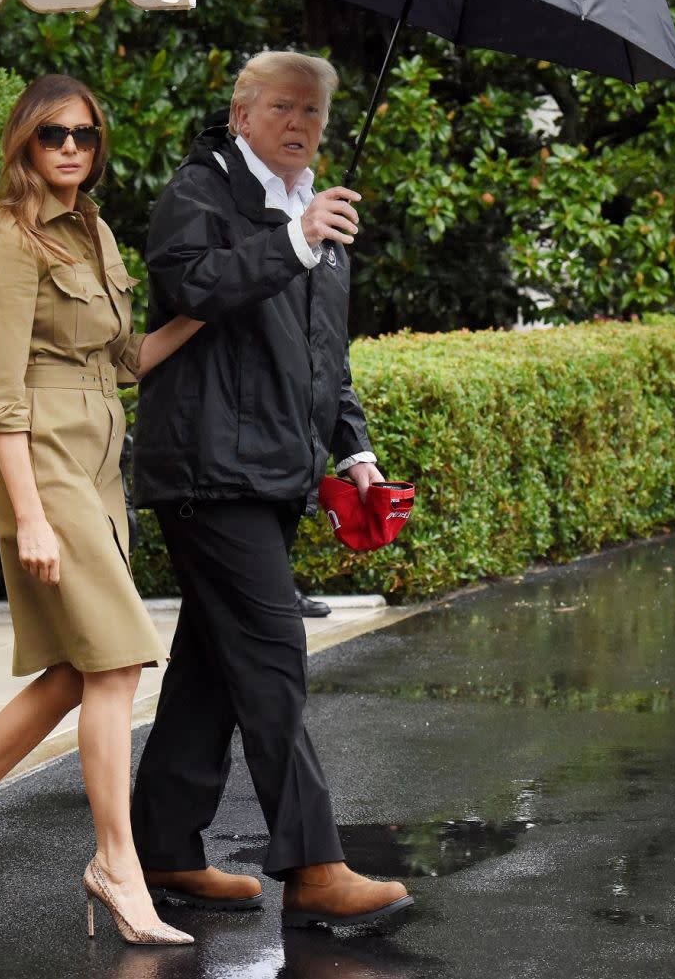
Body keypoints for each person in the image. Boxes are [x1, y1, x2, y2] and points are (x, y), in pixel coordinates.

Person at [0, 74, 200, 947]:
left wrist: (210, 310)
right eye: (55, 133)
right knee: (123, 658)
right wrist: (28, 514)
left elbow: (127, 356)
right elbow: (1, 397)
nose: (71, 148)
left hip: (99, 457)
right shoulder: (9, 239)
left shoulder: (92, 228)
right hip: (45, 461)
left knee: (76, 668)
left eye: (86, 136)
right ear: (24, 139)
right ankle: (115, 864)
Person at [129, 52, 413, 929]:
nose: (300, 124)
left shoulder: (320, 213)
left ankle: (163, 850)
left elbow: (329, 360)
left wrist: (355, 452)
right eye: (283, 107)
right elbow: (188, 284)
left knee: (213, 668)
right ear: (242, 112)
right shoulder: (201, 192)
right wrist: (294, 240)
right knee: (274, 652)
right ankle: (315, 864)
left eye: (315, 114)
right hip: (209, 470)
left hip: (273, 473)